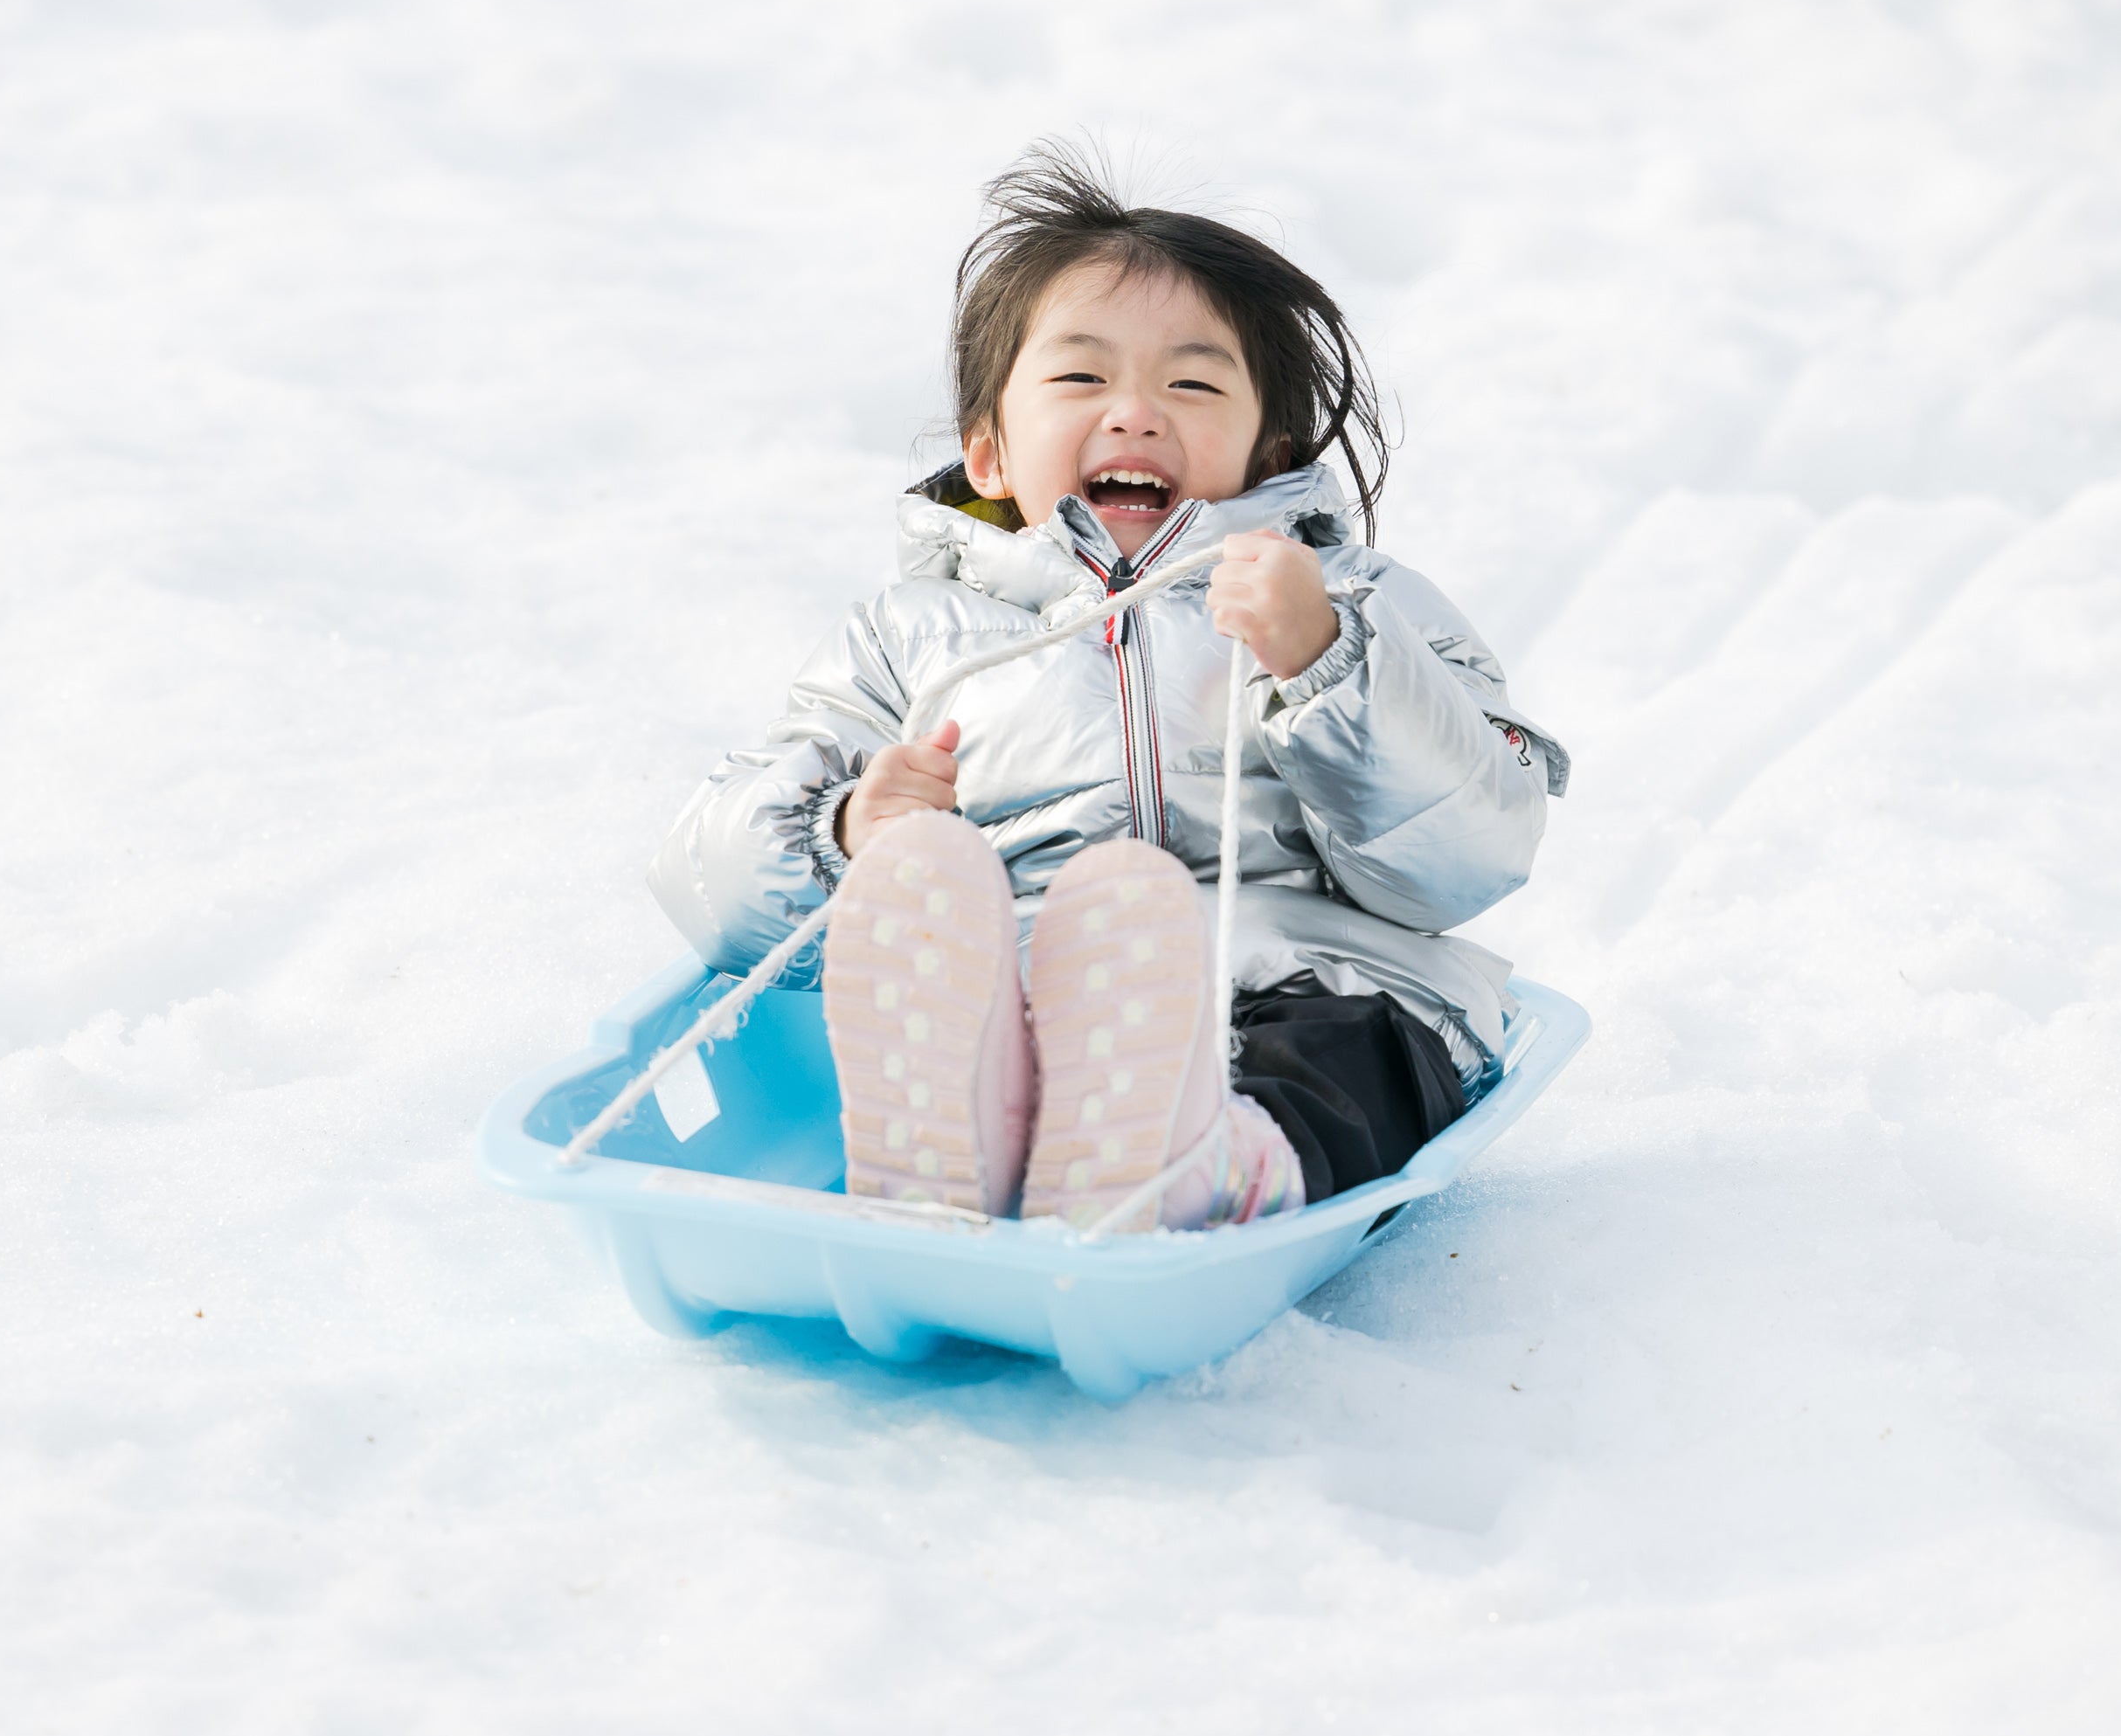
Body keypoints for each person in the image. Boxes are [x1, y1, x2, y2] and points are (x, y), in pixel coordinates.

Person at [650, 145, 1568, 1231]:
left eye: (1191, 381)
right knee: (959, 979)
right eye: (1082, 377)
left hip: (1309, 974)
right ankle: (980, 1135)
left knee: (1351, 1047)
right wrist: (846, 829)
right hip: (1034, 988)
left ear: (1268, 445)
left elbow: (1471, 852)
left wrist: (1329, 660)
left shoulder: (1358, 605)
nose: (1135, 413)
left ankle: (1221, 1166)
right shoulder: (909, 638)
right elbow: (708, 885)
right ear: (988, 452)